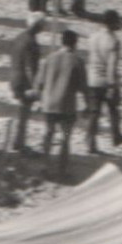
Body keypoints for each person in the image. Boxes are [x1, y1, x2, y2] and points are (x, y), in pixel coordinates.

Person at [35, 29, 88, 181]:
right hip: (66, 105)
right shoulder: (77, 61)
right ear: (75, 43)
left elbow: (39, 83)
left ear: (61, 41)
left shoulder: (49, 58)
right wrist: (87, 105)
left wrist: (40, 100)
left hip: (49, 105)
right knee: (65, 138)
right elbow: (83, 87)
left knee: (49, 134)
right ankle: (62, 171)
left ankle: (45, 166)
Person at [85, 10, 122, 155]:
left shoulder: (93, 36)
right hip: (105, 80)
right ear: (113, 23)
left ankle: (90, 142)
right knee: (114, 110)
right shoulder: (113, 41)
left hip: (92, 78)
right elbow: (112, 66)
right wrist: (112, 85)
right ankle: (116, 136)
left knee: (94, 112)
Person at [8, 14, 45, 155]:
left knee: (22, 113)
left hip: (15, 77)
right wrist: (35, 87)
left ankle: (18, 141)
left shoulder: (19, 37)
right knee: (24, 113)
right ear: (38, 26)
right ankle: (19, 143)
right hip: (25, 82)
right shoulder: (31, 42)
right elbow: (30, 67)